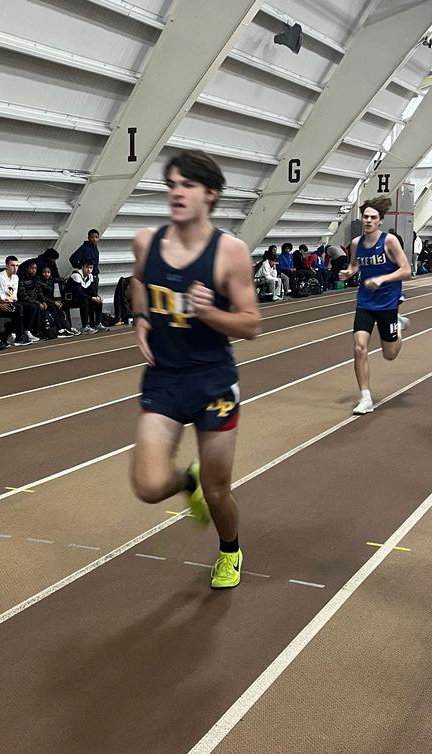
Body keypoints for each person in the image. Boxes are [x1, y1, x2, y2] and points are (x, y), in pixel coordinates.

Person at [130, 150, 260, 589]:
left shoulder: (230, 252)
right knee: (148, 486)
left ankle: (230, 551)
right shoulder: (147, 242)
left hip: (213, 382)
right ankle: (189, 482)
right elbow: (138, 280)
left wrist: (211, 313)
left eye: (187, 185)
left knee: (219, 490)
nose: (177, 193)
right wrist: (141, 317)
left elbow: (252, 324)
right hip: (164, 379)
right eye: (171, 184)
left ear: (211, 194)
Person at [339, 196, 411, 415]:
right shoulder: (356, 243)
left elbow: (406, 270)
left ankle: (397, 327)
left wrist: (382, 279)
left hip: (388, 303)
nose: (368, 220)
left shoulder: (389, 241)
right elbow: (355, 265)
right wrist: (348, 272)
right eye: (366, 217)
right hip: (365, 302)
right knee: (359, 347)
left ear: (380, 220)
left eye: (373, 217)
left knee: (390, 354)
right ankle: (365, 397)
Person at [0, 256, 39, 345]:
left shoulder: (16, 277)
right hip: (0, 303)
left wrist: (11, 299)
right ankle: (19, 336)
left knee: (32, 306)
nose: (15, 268)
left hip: (12, 300)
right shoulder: (0, 277)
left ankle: (26, 330)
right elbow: (1, 297)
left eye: (17, 265)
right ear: (6, 266)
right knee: (18, 308)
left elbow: (13, 295)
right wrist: (9, 299)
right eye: (12, 265)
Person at [66, 260, 105, 334]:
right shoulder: (76, 276)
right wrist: (92, 298)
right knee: (85, 300)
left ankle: (97, 324)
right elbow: (78, 293)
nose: (89, 270)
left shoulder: (90, 276)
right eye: (87, 267)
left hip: (82, 298)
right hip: (70, 299)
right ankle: (85, 327)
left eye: (91, 268)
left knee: (99, 300)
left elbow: (92, 291)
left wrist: (97, 296)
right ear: (82, 267)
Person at [38, 265, 75, 336]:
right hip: (43, 301)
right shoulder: (39, 282)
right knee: (53, 307)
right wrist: (54, 302)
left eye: (48, 272)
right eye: (44, 272)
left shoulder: (51, 280)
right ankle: (59, 329)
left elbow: (60, 280)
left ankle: (68, 327)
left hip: (50, 300)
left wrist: (69, 279)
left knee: (64, 305)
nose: (46, 274)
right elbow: (41, 296)